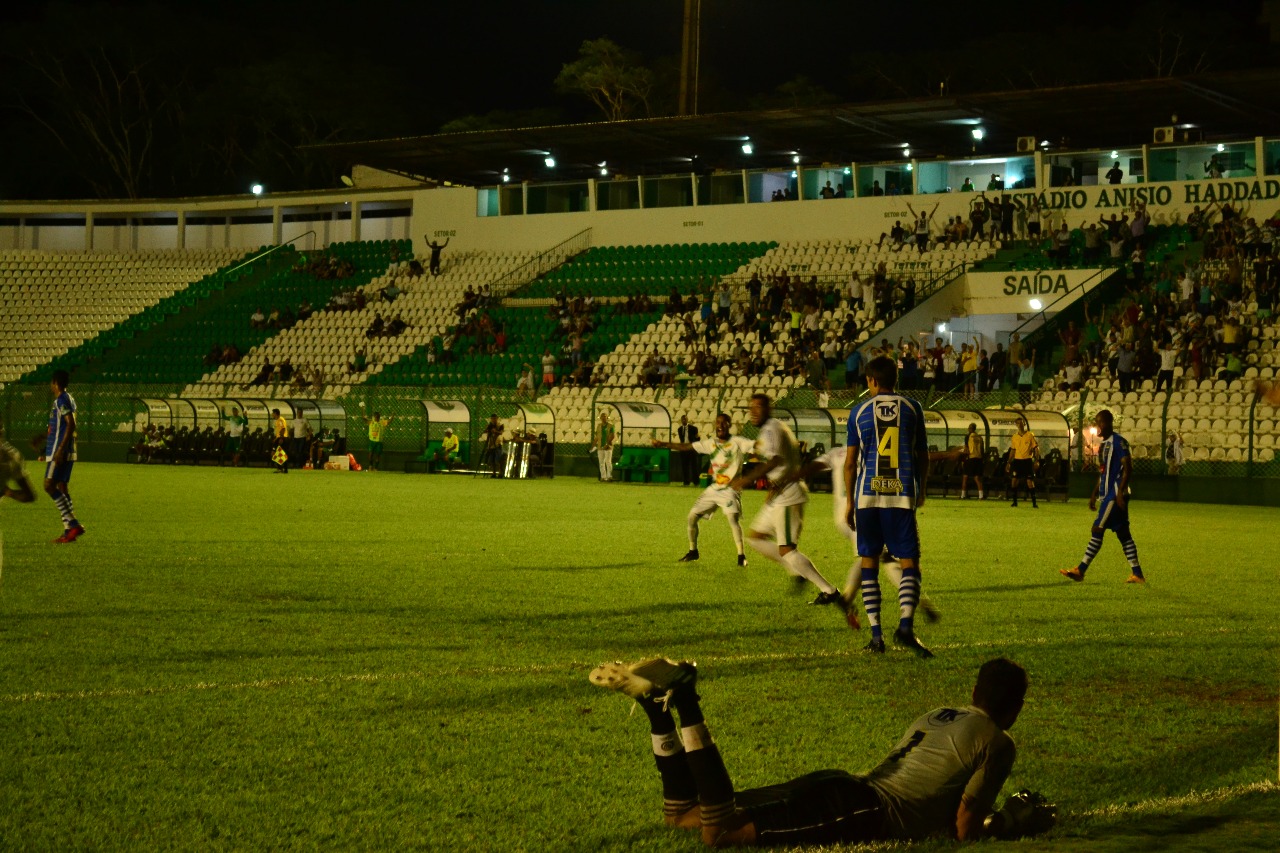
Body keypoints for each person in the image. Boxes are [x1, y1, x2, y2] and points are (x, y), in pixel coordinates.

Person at [588, 656, 1049, 846]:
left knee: (683, 816)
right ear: (1016, 707)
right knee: (718, 832)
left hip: (843, 784)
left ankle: (656, 712)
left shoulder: (940, 712)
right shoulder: (998, 742)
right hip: (862, 809)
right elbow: (965, 828)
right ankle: (685, 703)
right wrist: (1007, 822)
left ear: (974, 690)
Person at [730, 394, 851, 623]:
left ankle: (829, 591)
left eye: (758, 407)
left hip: (789, 495)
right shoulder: (770, 429)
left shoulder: (771, 429)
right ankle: (797, 571)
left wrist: (746, 480)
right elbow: (782, 463)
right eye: (751, 408)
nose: (753, 411)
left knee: (787, 550)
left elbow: (775, 461)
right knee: (756, 538)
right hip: (780, 493)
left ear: (769, 409)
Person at [843, 356, 932, 656]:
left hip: (866, 498)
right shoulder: (912, 408)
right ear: (896, 379)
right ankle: (905, 624)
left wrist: (848, 503)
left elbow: (849, 464)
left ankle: (877, 637)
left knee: (869, 561)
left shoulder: (858, 412)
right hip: (901, 494)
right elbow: (922, 454)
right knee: (910, 563)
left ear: (872, 380)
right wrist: (921, 487)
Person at [653, 413, 754, 568]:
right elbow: (686, 447)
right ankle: (693, 551)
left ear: (729, 425)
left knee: (732, 519)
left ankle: (741, 555)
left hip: (730, 489)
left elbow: (756, 446)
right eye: (717, 423)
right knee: (691, 517)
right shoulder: (710, 443)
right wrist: (662, 444)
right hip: (714, 489)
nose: (720, 425)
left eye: (723, 423)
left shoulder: (738, 442)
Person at [1061, 410, 1146, 584]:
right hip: (1108, 494)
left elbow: (1128, 468)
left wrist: (1121, 491)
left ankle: (1081, 569)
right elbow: (1104, 471)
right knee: (1123, 534)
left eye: (1100, 423)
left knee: (1097, 528)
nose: (1097, 427)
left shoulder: (1118, 442)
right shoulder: (1105, 445)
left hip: (1115, 494)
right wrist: (1093, 494)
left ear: (1107, 423)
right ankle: (1137, 574)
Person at [39, 371, 85, 542]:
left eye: (51, 383)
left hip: (61, 451)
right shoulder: (67, 399)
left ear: (55, 383)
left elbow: (70, 423)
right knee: (62, 487)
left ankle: (73, 524)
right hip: (65, 449)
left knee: (48, 485)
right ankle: (68, 532)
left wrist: (59, 450)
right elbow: (58, 427)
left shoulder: (62, 400)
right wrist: (44, 440)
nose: (50, 386)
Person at [1006, 417, 1040, 508]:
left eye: (1021, 423)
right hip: (1017, 461)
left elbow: (1036, 448)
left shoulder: (1030, 435)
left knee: (1029, 481)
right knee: (1014, 481)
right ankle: (1015, 502)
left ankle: (1034, 503)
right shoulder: (1014, 437)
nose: (1020, 425)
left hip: (1027, 461)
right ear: (1016, 425)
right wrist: (1008, 462)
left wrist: (1036, 460)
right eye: (1018, 423)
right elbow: (1013, 450)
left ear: (1024, 424)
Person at [1, 426, 37, 505]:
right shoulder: (14, 456)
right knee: (29, 495)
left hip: (9, 462)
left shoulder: (12, 458)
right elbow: (29, 496)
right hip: (12, 459)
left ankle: (4, 491)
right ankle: (4, 491)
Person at [960, 422, 986, 500]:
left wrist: (963, 458)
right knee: (977, 478)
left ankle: (963, 495)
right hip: (979, 459)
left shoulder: (968, 436)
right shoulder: (980, 438)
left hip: (970, 458)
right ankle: (981, 496)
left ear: (971, 429)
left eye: (969, 428)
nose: (968, 429)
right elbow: (982, 450)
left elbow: (966, 449)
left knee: (965, 477)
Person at [675, 414, 701, 487]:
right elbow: (681, 439)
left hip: (691, 449)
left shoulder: (694, 428)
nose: (684, 420)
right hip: (683, 450)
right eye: (682, 419)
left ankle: (696, 482)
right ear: (681, 420)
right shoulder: (679, 429)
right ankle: (686, 482)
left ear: (687, 420)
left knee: (694, 466)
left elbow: (698, 438)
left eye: (685, 419)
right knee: (684, 466)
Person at [590, 411, 616, 482]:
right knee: (601, 463)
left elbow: (612, 436)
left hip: (608, 447)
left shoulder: (611, 426)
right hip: (600, 446)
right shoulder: (598, 426)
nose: (604, 418)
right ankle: (603, 477)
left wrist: (607, 444)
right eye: (602, 416)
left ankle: (609, 476)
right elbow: (597, 437)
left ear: (607, 417)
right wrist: (593, 446)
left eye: (605, 416)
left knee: (608, 462)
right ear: (600, 418)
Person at [270, 408, 290, 474]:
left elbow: (283, 429)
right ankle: (281, 468)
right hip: (279, 438)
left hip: (282, 438)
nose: (272, 414)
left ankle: (283, 469)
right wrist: (276, 438)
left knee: (281, 454)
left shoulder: (281, 420)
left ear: (275, 413)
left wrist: (281, 438)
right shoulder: (278, 420)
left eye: (273, 413)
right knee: (276, 453)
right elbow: (279, 431)